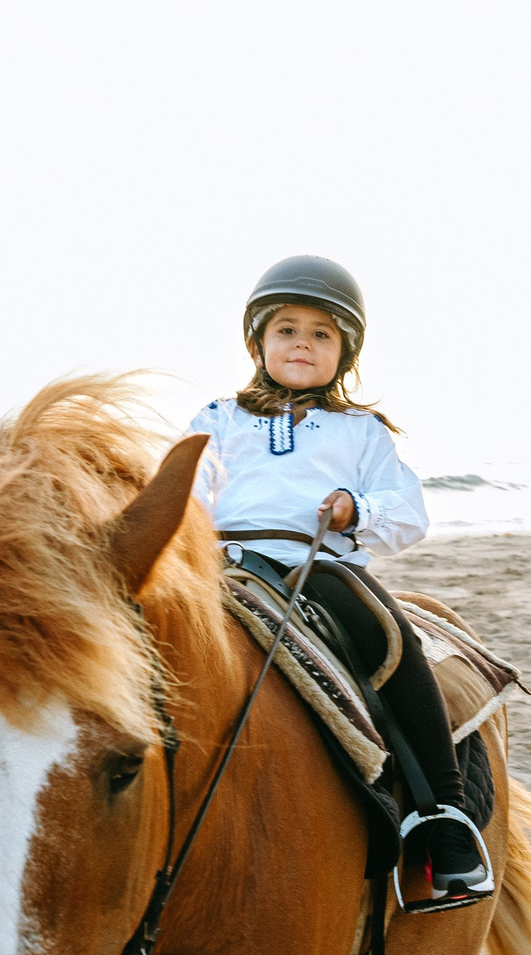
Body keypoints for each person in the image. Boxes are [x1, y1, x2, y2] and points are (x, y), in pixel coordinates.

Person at [187, 255, 492, 909]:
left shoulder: (361, 433)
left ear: (344, 352)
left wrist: (359, 506)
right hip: (220, 562)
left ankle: (443, 814)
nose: (303, 342)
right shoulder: (218, 417)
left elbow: (409, 512)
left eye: (322, 334)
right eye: (287, 329)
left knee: (388, 637)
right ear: (257, 343)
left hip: (316, 563)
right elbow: (183, 491)